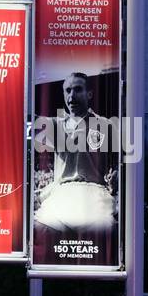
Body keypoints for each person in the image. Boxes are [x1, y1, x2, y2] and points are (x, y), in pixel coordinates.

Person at [34, 72, 118, 235]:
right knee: (40, 228)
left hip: (94, 194)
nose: (72, 95)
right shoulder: (53, 125)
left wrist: (117, 173)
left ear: (89, 94)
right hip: (62, 193)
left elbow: (120, 163)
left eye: (78, 89)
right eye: (68, 90)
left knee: (107, 231)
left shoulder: (106, 125)